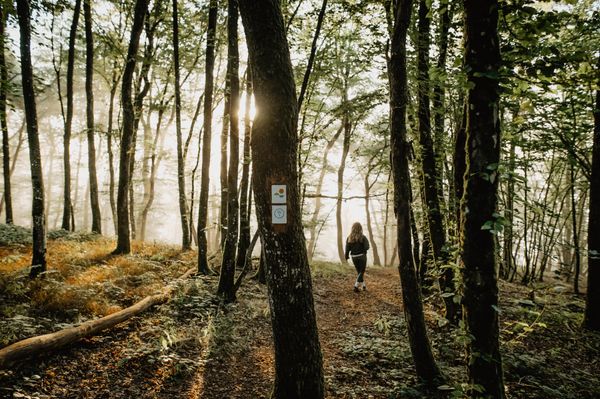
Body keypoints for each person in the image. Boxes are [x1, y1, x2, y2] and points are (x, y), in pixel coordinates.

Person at [345, 222, 370, 292]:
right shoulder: (363, 237)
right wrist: (363, 250)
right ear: (360, 228)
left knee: (359, 272)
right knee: (361, 272)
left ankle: (364, 286)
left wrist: (346, 256)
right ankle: (355, 286)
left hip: (354, 257)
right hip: (362, 256)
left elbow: (347, 249)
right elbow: (367, 247)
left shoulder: (349, 238)